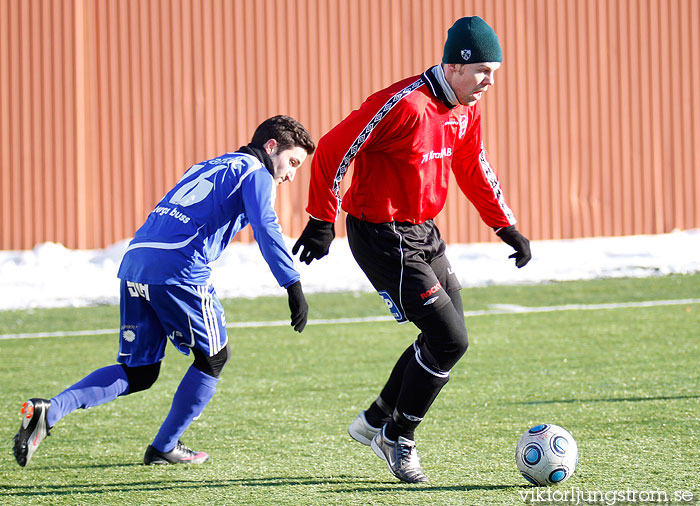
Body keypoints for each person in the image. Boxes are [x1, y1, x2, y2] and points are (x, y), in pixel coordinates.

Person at [292, 17, 531, 483]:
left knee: (448, 337)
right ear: (455, 65)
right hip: (382, 236)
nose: (490, 81)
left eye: (494, 71)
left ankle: (377, 418)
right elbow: (333, 151)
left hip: (423, 231)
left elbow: (473, 167)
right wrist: (322, 218)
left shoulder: (466, 108)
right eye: (483, 70)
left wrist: (506, 226)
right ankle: (398, 436)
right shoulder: (403, 104)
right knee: (450, 339)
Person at [13, 115, 316, 467]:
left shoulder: (207, 165)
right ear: (271, 147)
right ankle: (164, 446)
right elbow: (266, 224)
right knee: (214, 357)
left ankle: (49, 412)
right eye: (292, 162)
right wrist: (292, 284)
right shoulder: (256, 173)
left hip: (136, 262)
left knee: (140, 372)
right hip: (179, 268)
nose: (291, 174)